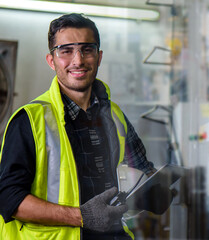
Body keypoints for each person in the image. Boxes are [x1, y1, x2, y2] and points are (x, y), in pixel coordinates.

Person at [0, 13, 156, 240]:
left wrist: (152, 192)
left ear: (99, 56)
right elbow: (8, 198)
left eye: (87, 49)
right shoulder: (29, 120)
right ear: (51, 60)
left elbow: (142, 168)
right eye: (66, 51)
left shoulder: (114, 115)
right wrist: (81, 216)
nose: (78, 60)